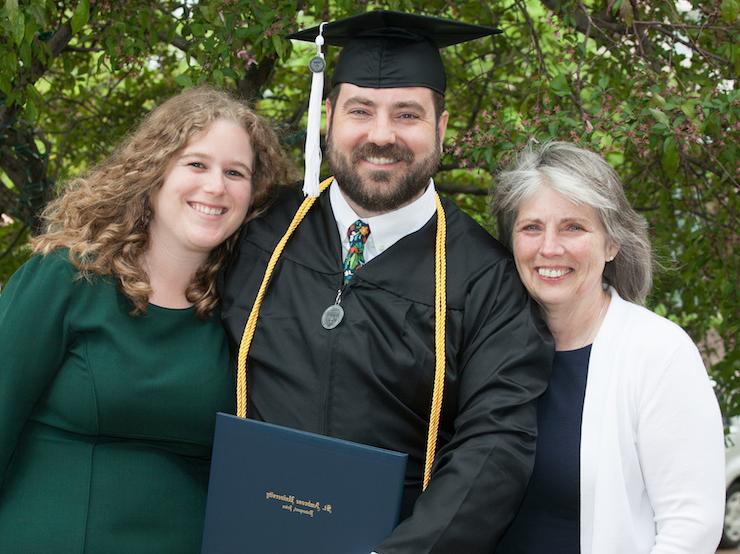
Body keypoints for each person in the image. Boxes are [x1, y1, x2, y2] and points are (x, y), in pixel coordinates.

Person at [220, 11, 553, 552]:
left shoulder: (487, 278)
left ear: (441, 129)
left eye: (407, 115)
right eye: (360, 111)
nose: (381, 135)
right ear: (327, 117)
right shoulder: (258, 228)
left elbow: (495, 445)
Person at [0, 86, 292, 552]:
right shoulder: (66, 278)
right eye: (196, 164)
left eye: (235, 172)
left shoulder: (245, 311)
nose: (215, 186)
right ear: (153, 172)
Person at [492, 141, 725, 553]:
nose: (549, 247)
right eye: (531, 227)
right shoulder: (486, 344)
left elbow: (691, 525)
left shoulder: (658, 352)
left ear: (612, 243)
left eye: (573, 227)